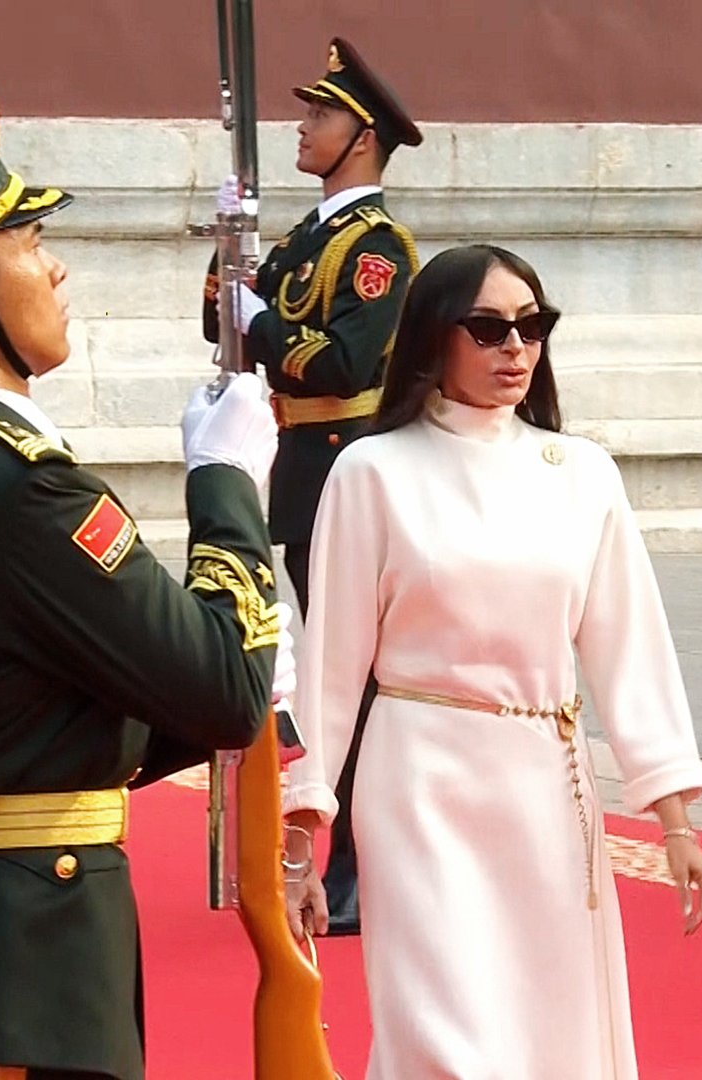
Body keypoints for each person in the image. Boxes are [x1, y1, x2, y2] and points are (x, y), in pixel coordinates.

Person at [279, 244, 702, 1078]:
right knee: (441, 1034)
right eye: (487, 328)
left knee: (550, 1031)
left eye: (532, 325)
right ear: (433, 336)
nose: (515, 347)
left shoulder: (582, 473)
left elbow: (631, 652)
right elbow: (332, 672)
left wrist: (675, 822)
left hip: (546, 784)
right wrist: (304, 831)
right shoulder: (372, 471)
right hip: (419, 782)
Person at [0, 75, 285, 1080]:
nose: (55, 269)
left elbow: (22, 702)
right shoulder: (19, 487)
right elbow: (224, 689)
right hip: (22, 972)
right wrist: (226, 484)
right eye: (28, 241)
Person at [202, 35, 424, 936]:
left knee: (358, 678)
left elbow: (343, 362)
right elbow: (222, 330)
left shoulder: (378, 249)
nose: (304, 126)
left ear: (363, 138)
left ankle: (363, 866)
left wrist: (258, 319)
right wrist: (228, 256)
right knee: (328, 671)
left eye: (321, 114)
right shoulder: (304, 239)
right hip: (300, 471)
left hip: (349, 465)